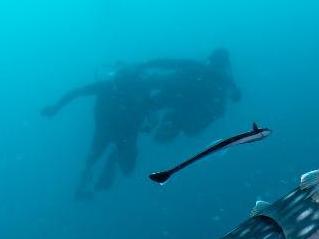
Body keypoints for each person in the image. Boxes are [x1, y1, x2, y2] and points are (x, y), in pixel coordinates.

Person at [42, 49, 241, 199]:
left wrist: (144, 67)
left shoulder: (196, 73)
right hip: (119, 126)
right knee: (96, 158)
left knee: (122, 165)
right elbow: (159, 93)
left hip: (135, 125)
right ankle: (96, 172)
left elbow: (165, 69)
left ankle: (112, 159)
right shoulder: (112, 87)